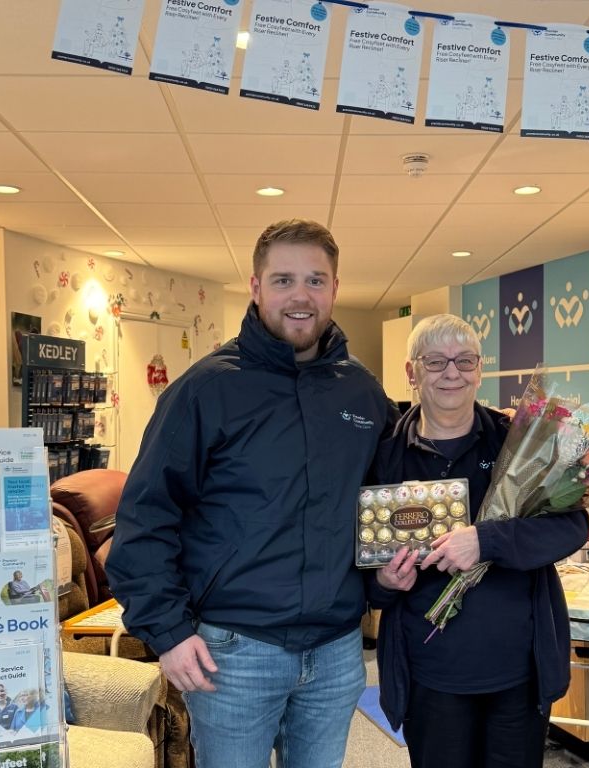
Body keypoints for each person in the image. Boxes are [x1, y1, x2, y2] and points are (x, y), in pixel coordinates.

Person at [106, 219, 397, 768]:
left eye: (315, 280)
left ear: (335, 288)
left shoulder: (361, 391)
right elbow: (145, 517)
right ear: (256, 287)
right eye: (284, 280)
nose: (301, 296)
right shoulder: (205, 389)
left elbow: (387, 497)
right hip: (233, 651)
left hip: (336, 649)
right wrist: (168, 632)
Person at [368, 314, 589, 768]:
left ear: (480, 369)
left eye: (464, 360)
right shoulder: (385, 457)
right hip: (431, 677)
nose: (452, 373)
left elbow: (571, 526)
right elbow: (364, 568)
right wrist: (384, 583)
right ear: (412, 372)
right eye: (436, 361)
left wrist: (485, 541)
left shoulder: (519, 443)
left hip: (517, 675)